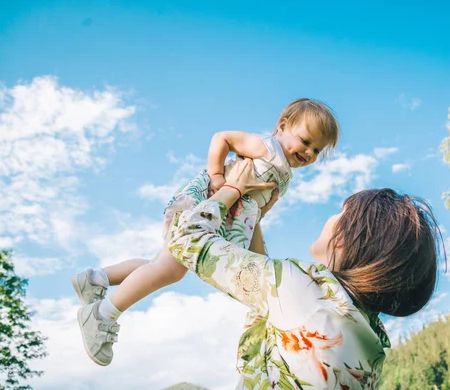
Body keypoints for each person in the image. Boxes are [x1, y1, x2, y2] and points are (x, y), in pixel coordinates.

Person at [84, 157, 444, 388]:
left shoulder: (304, 293)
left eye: (341, 212)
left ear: (349, 239)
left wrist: (232, 189)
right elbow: (265, 294)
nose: (332, 218)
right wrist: (254, 219)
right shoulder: (366, 338)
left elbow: (186, 238)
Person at [72, 98, 340, 366]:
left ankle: (95, 279)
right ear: (282, 126)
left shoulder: (284, 177)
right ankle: (101, 315)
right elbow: (222, 138)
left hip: (222, 215)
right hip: (208, 202)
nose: (309, 153)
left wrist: (256, 217)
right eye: (305, 141)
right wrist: (216, 178)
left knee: (161, 265)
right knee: (170, 269)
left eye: (317, 150)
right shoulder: (265, 148)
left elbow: (256, 209)